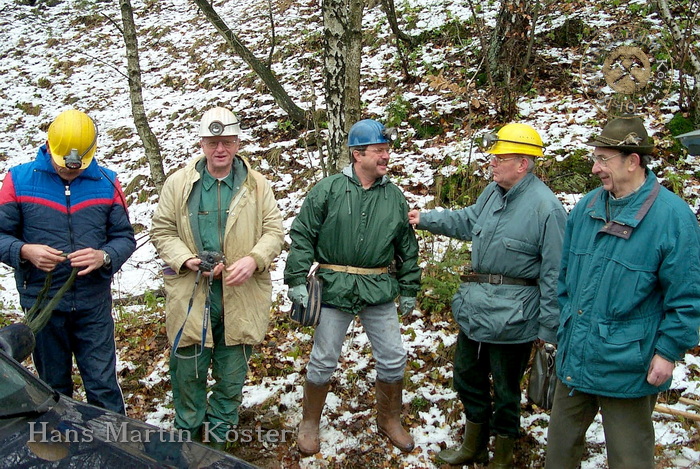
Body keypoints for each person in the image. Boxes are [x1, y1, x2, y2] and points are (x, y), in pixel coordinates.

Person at [408, 123, 567, 468]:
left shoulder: (547, 209)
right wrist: (425, 218)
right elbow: (467, 221)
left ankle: (503, 456)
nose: (492, 163)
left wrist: (549, 331)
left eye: (500, 157)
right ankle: (474, 444)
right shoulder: (493, 192)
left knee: (507, 391)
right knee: (466, 376)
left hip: (516, 317)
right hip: (476, 309)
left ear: (523, 163)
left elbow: (556, 275)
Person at [545, 115, 700, 469]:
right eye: (595, 158)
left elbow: (688, 297)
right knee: (559, 451)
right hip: (577, 355)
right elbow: (566, 278)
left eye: (603, 159)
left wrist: (668, 352)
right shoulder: (587, 208)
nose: (595, 168)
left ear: (633, 161)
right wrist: (566, 323)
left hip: (630, 364)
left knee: (630, 459)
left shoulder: (672, 218)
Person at [284, 118, 421, 456]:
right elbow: (303, 235)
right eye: (379, 150)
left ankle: (389, 420)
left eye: (387, 150)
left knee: (392, 358)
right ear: (358, 154)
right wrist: (296, 279)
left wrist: (409, 288)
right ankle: (310, 423)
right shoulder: (327, 190)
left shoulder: (394, 197)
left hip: (377, 286)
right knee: (323, 358)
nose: (386, 156)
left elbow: (407, 247)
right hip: (334, 285)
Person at [150, 106, 284, 448]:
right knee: (187, 372)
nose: (219, 149)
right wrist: (186, 259)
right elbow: (162, 230)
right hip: (193, 296)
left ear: (238, 142)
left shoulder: (257, 185)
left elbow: (274, 231)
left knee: (231, 375)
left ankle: (218, 443)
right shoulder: (179, 184)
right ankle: (187, 438)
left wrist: (254, 260)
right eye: (212, 142)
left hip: (242, 296)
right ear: (202, 143)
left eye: (226, 141)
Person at [0, 109, 136, 414]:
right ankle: (61, 453)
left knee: (102, 385)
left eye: (77, 167)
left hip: (93, 304)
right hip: (43, 305)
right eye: (65, 166)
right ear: (49, 146)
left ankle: (115, 451)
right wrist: (25, 251)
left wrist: (104, 256)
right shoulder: (17, 180)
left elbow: (125, 238)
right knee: (53, 388)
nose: (70, 172)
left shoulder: (107, 182)